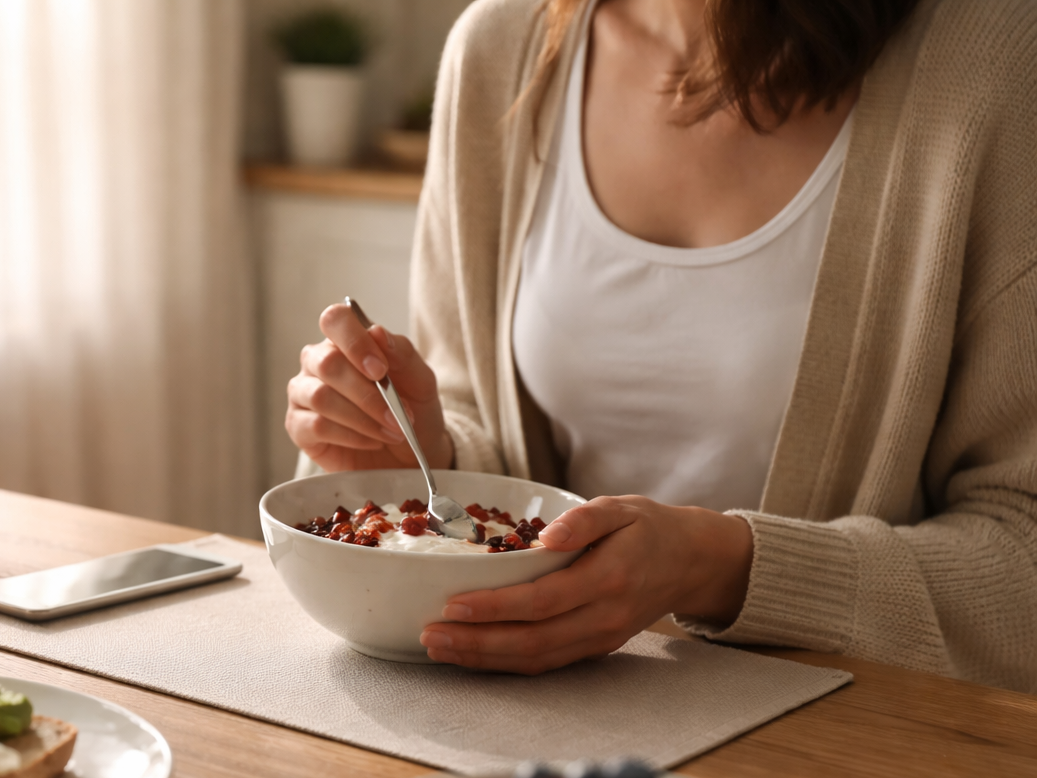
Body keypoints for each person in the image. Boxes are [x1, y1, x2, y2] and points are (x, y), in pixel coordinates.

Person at [284, 0, 1037, 692]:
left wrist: (722, 568)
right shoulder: (502, 45)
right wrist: (416, 456)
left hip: (850, 763)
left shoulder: (992, 58)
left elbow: (1022, 552)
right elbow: (476, 415)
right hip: (525, 728)